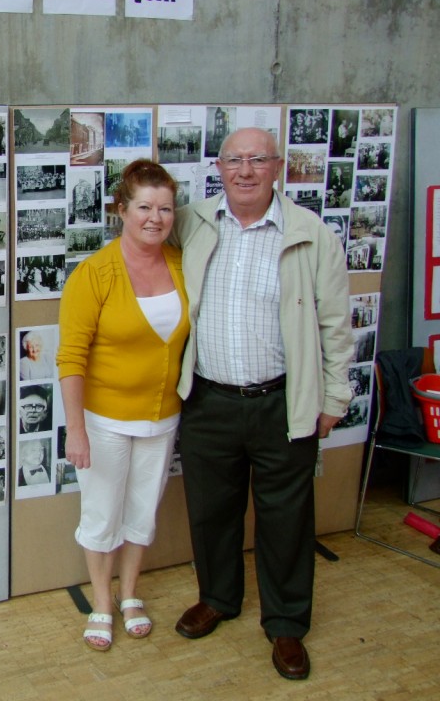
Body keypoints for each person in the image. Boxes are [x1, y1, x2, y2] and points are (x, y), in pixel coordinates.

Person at [171, 128, 353, 681]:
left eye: (258, 159)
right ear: (219, 167)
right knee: (210, 511)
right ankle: (219, 598)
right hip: (208, 402)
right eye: (234, 160)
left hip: (282, 403)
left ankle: (286, 624)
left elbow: (335, 324)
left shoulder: (310, 234)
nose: (245, 170)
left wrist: (334, 396)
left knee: (287, 520)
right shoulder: (193, 222)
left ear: (279, 168)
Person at [56, 158, 189, 653]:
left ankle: (130, 594)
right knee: (101, 514)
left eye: (165, 208)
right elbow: (70, 357)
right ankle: (101, 603)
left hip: (162, 416)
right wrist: (76, 429)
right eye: (144, 207)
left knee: (142, 513)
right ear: (121, 210)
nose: (155, 218)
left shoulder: (180, 263)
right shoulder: (94, 274)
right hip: (105, 420)